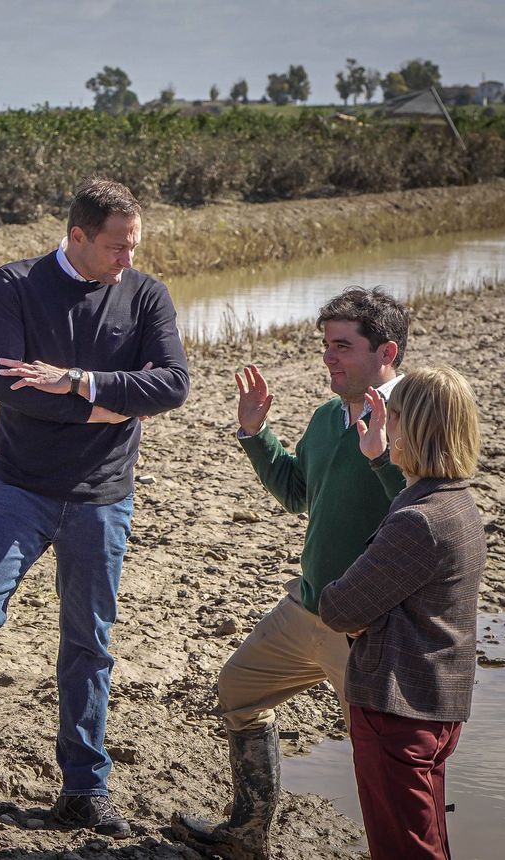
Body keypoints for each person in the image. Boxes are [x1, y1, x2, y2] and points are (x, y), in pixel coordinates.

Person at [0, 179, 191, 837]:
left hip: (104, 496)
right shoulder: (16, 283)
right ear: (77, 236)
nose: (127, 261)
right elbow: (6, 383)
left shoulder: (146, 295)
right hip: (18, 488)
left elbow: (172, 384)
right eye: (116, 247)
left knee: (89, 641)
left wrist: (77, 382)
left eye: (133, 246)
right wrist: (107, 408)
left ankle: (84, 788)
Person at [176, 287, 411, 858]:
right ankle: (248, 833)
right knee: (237, 691)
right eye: (325, 345)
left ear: (388, 352)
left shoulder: (416, 417)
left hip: (365, 629)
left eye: (342, 347)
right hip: (304, 609)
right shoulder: (330, 415)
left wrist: (381, 455)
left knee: (385, 763)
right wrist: (257, 435)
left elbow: (424, 513)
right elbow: (298, 494)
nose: (328, 357)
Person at [320, 365, 486, 860]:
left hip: (398, 710)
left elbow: (339, 607)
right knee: (427, 838)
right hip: (436, 706)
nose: (382, 426)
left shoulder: (419, 520)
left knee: (404, 849)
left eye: (390, 418)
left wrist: (365, 610)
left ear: (412, 429)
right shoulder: (458, 504)